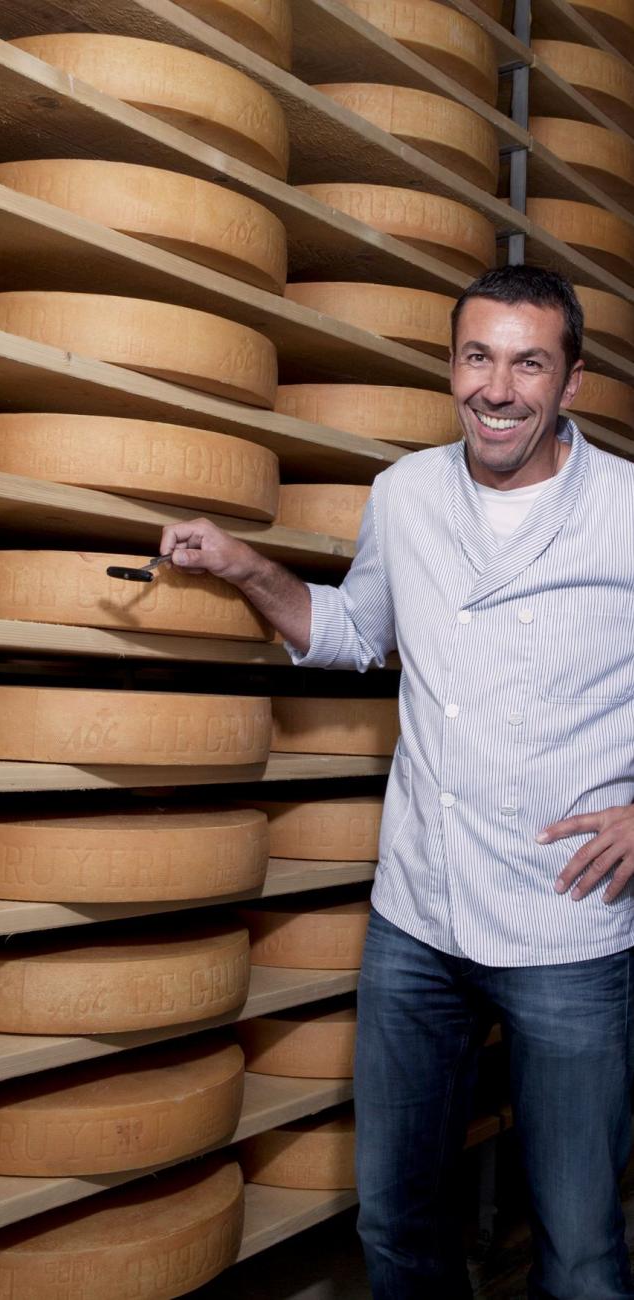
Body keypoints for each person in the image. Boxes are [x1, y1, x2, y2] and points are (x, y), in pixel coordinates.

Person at [160, 265, 634, 1300]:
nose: (497, 389)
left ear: (572, 383)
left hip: (565, 924)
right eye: (477, 357)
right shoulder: (406, 493)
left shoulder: (627, 510)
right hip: (417, 917)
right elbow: (352, 630)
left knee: (582, 1246)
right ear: (451, 365)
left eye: (529, 364)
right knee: (396, 1221)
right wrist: (244, 567)